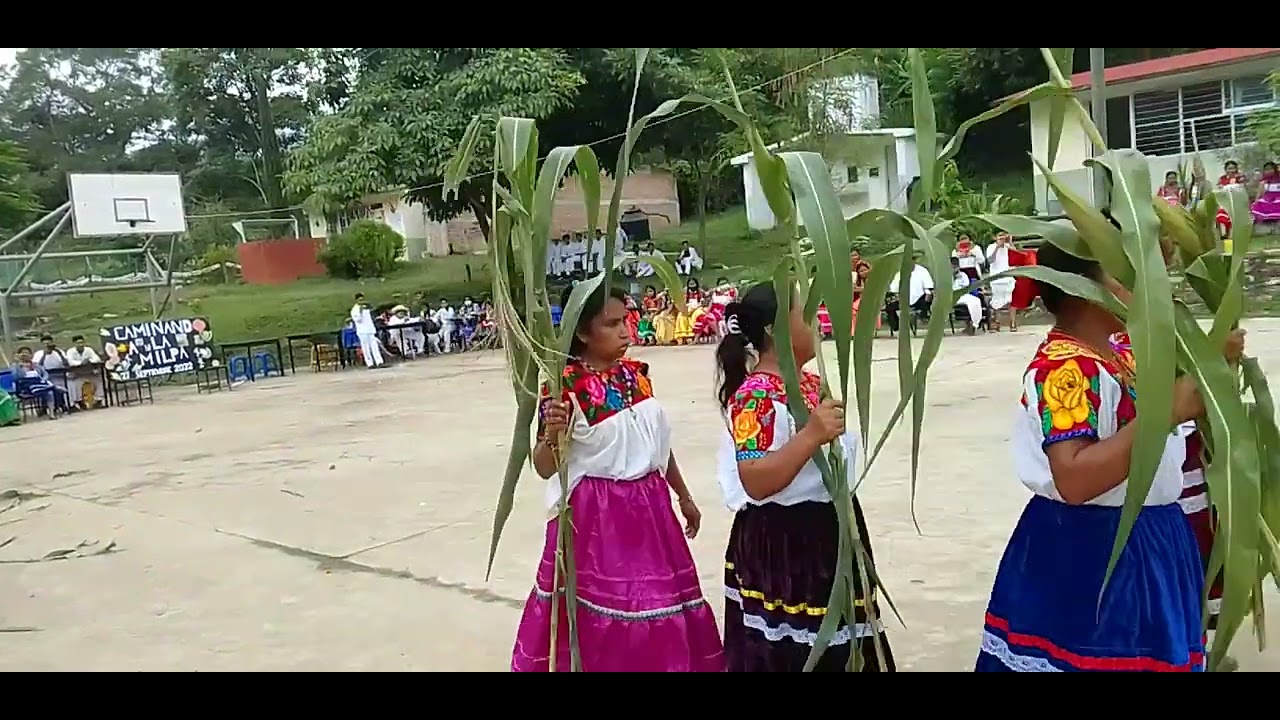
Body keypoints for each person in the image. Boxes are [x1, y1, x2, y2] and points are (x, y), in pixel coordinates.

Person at [974, 243, 1225, 673]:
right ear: (1083, 288)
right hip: (1094, 552)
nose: (1146, 285)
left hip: (1154, 540)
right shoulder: (1066, 370)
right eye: (1127, 273)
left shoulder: (1122, 355)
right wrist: (1168, 411)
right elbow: (1074, 478)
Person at [510, 283, 724, 672]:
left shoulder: (635, 377)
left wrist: (683, 495)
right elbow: (544, 466)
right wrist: (553, 434)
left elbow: (656, 445)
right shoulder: (564, 387)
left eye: (625, 320)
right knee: (610, 615)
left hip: (652, 511)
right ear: (581, 331)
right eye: (611, 324)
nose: (625, 331)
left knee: (660, 605)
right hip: (597, 521)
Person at [714, 283, 894, 672]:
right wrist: (811, 435)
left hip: (827, 530)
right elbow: (755, 480)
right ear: (774, 329)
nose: (818, 319)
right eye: (806, 312)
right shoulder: (755, 397)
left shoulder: (810, 382)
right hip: (789, 542)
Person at [884, 252, 933, 333]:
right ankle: (896, 327)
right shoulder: (900, 272)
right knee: (889, 307)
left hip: (919, 298)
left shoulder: (922, 271)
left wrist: (927, 300)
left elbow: (928, 288)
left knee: (926, 303)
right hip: (904, 300)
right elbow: (894, 288)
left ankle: (925, 318)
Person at [11, 346, 67, 417]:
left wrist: (43, 379)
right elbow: (17, 377)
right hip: (25, 386)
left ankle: (51, 413)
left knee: (49, 392)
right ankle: (54, 388)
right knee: (49, 389)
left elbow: (45, 373)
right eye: (23, 353)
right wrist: (18, 365)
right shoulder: (16, 366)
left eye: (27, 353)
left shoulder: (35, 365)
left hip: (38, 383)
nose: (26, 355)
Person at [986, 231, 1017, 332]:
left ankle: (1013, 323)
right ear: (995, 237)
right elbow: (990, 260)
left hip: (1009, 277)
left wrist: (1010, 242)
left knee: (1012, 301)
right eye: (999, 236)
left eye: (1003, 236)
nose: (1002, 238)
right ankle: (997, 322)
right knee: (997, 302)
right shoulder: (991, 247)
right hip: (996, 279)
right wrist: (997, 247)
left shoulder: (1008, 247)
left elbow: (1017, 257)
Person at [65, 334, 104, 409]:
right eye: (78, 343)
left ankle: (98, 400)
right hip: (77, 374)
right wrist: (81, 363)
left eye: (82, 342)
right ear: (74, 344)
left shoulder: (88, 350)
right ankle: (78, 402)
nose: (81, 345)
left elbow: (97, 359)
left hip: (89, 372)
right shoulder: (70, 351)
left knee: (98, 379)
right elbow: (71, 362)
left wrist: (89, 361)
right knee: (72, 383)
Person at [950, 256, 984, 335]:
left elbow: (966, 286)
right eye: (952, 267)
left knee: (975, 300)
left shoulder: (963, 275)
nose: (953, 269)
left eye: (955, 267)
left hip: (962, 295)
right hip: (951, 297)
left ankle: (974, 324)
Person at [350, 293, 385, 368]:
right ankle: (370, 363)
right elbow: (358, 319)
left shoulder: (367, 308)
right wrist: (360, 311)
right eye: (360, 300)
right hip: (362, 331)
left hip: (370, 330)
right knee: (366, 348)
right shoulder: (354, 310)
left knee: (374, 347)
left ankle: (379, 362)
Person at [1251, 161, 1280, 225]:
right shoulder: (1263, 183)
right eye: (1267, 169)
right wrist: (1255, 203)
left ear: (1275, 170)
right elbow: (1259, 195)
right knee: (1260, 202)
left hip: (1278, 201)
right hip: (1268, 201)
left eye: (1271, 169)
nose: (1269, 171)